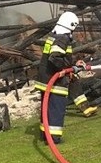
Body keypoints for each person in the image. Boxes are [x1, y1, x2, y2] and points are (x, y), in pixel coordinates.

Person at [34, 11, 86, 143]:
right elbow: (55, 57)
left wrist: (74, 64)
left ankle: (45, 135)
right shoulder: (63, 37)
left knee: (47, 109)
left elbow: (61, 57)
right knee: (57, 109)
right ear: (72, 25)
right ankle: (54, 138)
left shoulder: (54, 35)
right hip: (55, 81)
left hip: (45, 78)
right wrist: (63, 70)